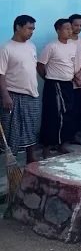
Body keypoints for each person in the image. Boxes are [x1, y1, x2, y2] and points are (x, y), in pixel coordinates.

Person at [0, 15, 40, 164]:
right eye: (29, 28)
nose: (32, 32)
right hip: (13, 95)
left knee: (31, 127)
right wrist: (5, 96)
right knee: (12, 131)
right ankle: (11, 160)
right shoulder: (6, 48)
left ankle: (31, 157)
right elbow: (1, 74)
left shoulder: (31, 46)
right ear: (18, 27)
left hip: (31, 94)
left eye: (33, 29)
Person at [37, 19, 77, 158]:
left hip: (68, 84)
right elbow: (40, 65)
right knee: (52, 115)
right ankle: (46, 148)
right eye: (66, 29)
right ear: (58, 31)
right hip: (54, 85)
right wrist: (49, 79)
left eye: (70, 28)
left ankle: (62, 145)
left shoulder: (73, 46)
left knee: (68, 114)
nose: (70, 31)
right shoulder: (51, 46)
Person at [68, 14, 81, 144]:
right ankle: (64, 138)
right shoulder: (65, 41)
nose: (78, 28)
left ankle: (75, 135)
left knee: (78, 110)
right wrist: (74, 77)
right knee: (67, 110)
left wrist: (80, 74)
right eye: (76, 25)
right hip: (68, 82)